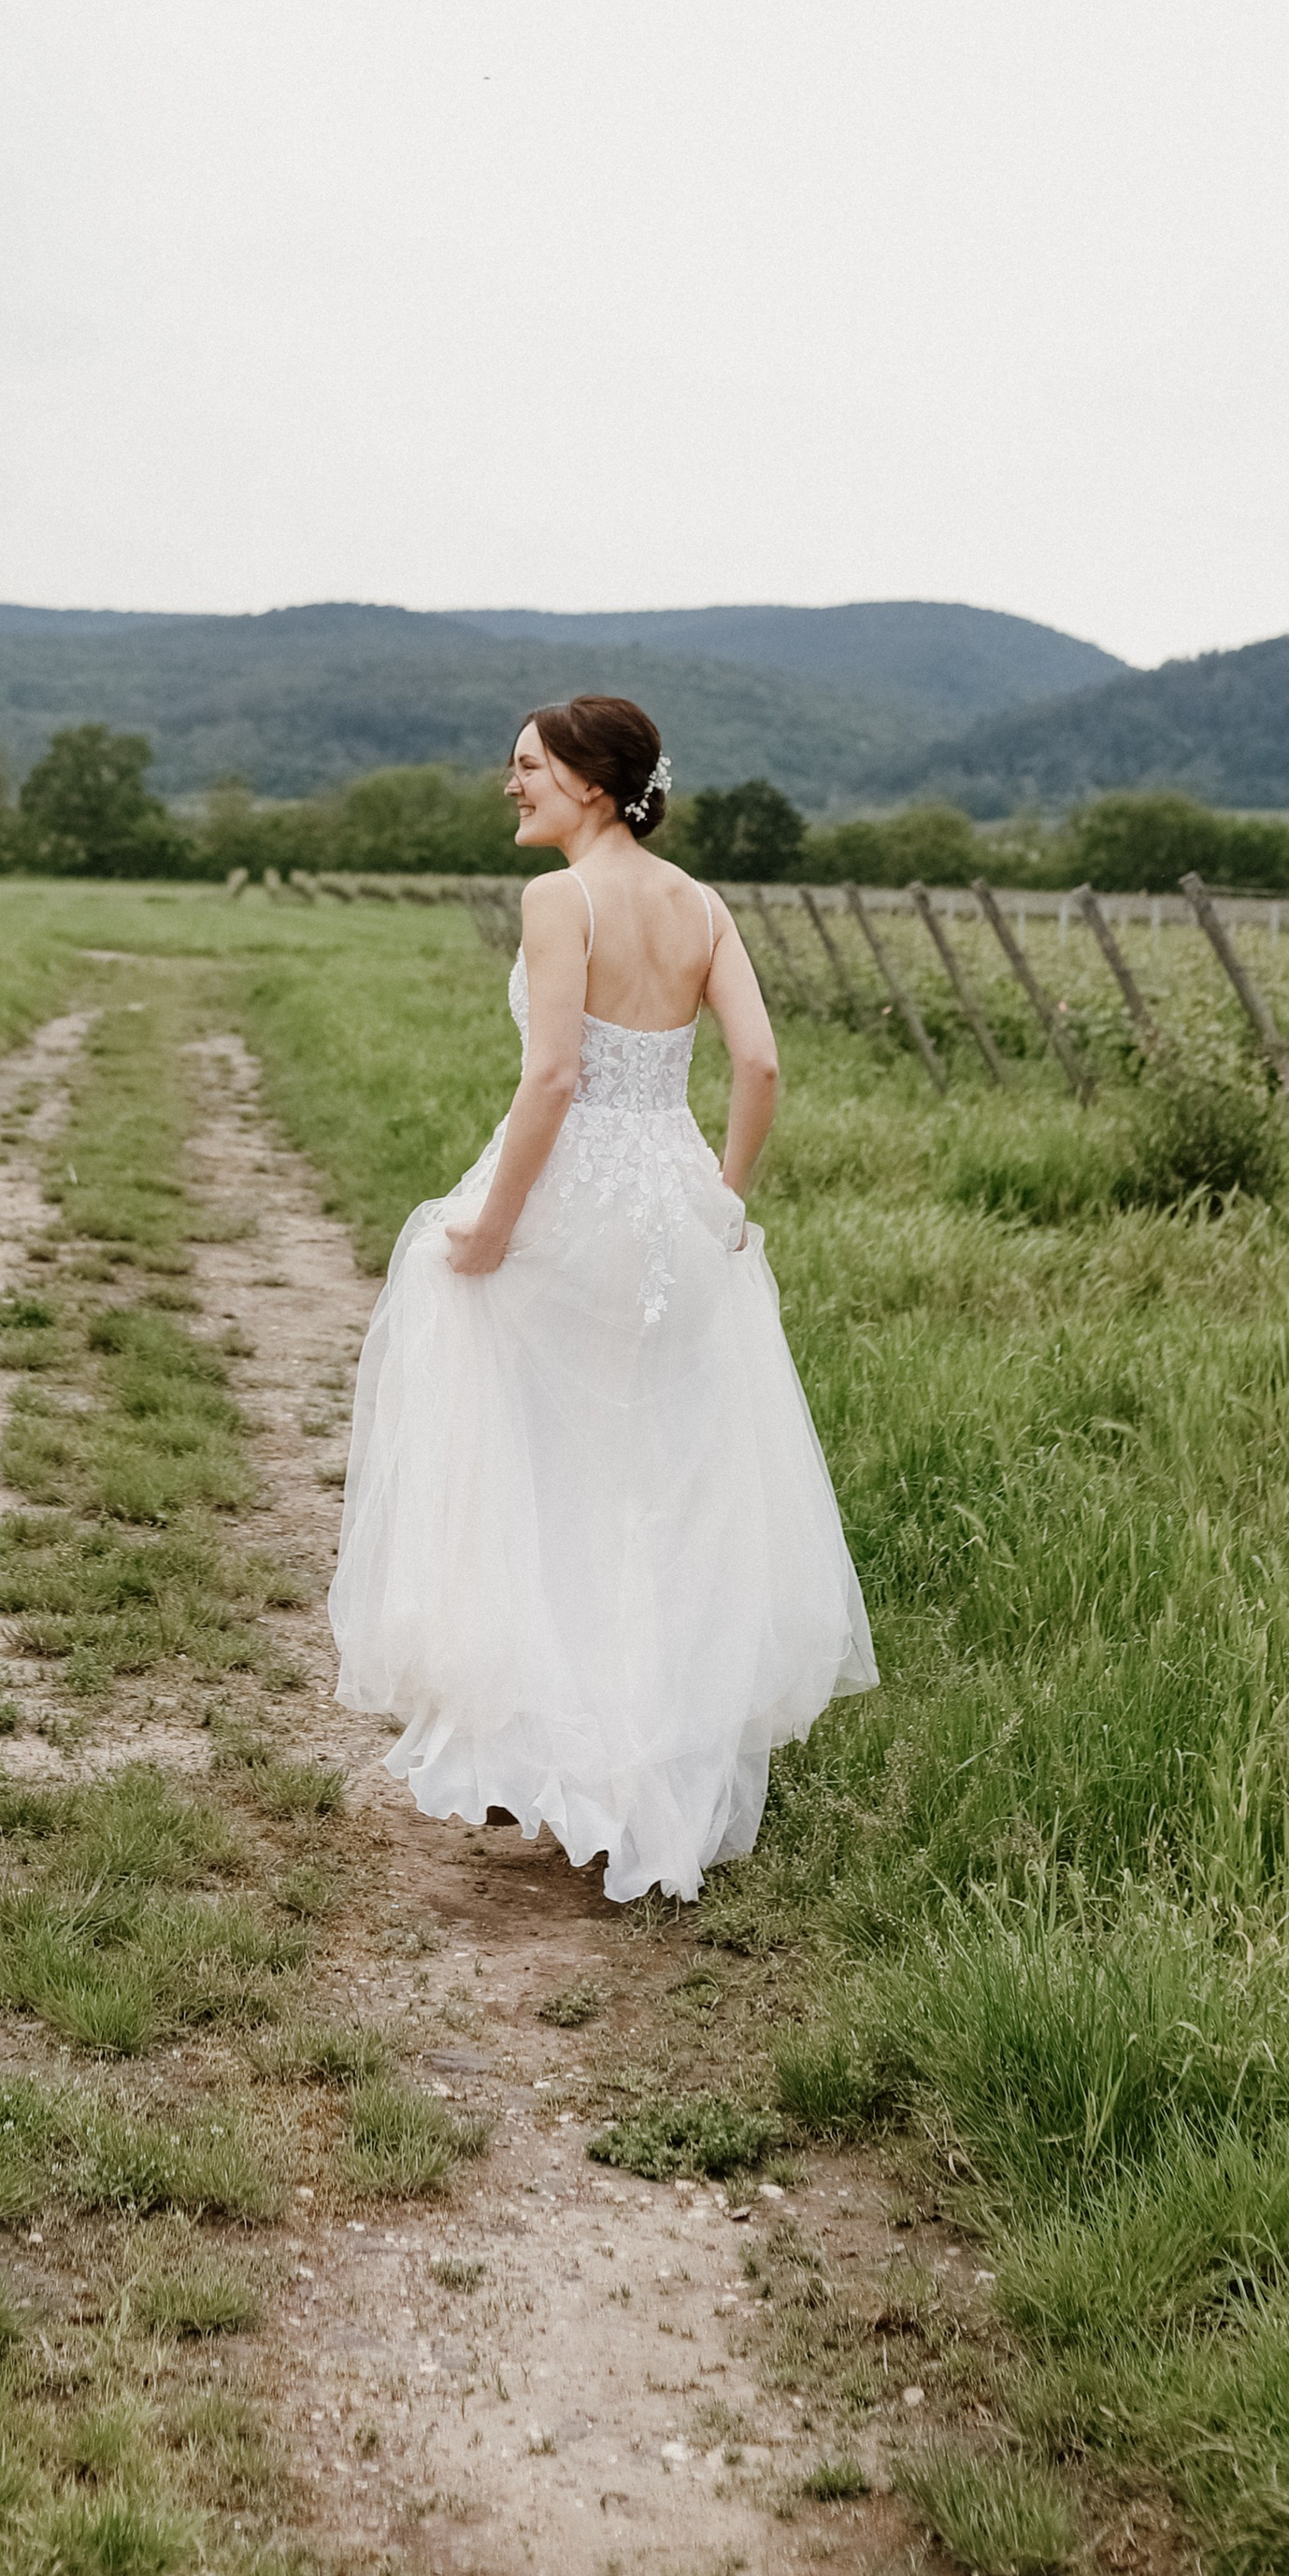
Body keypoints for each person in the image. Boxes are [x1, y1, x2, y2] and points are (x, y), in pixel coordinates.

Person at [329, 694, 874, 1903]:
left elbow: (557, 1076)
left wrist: (493, 1227)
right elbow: (762, 1064)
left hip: (573, 1210)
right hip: (675, 1213)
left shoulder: (558, 900)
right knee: (651, 1486)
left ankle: (553, 1745)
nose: (509, 784)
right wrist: (723, 1198)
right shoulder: (704, 906)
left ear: (586, 781)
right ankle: (640, 1760)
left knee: (540, 1470)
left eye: (525, 767)